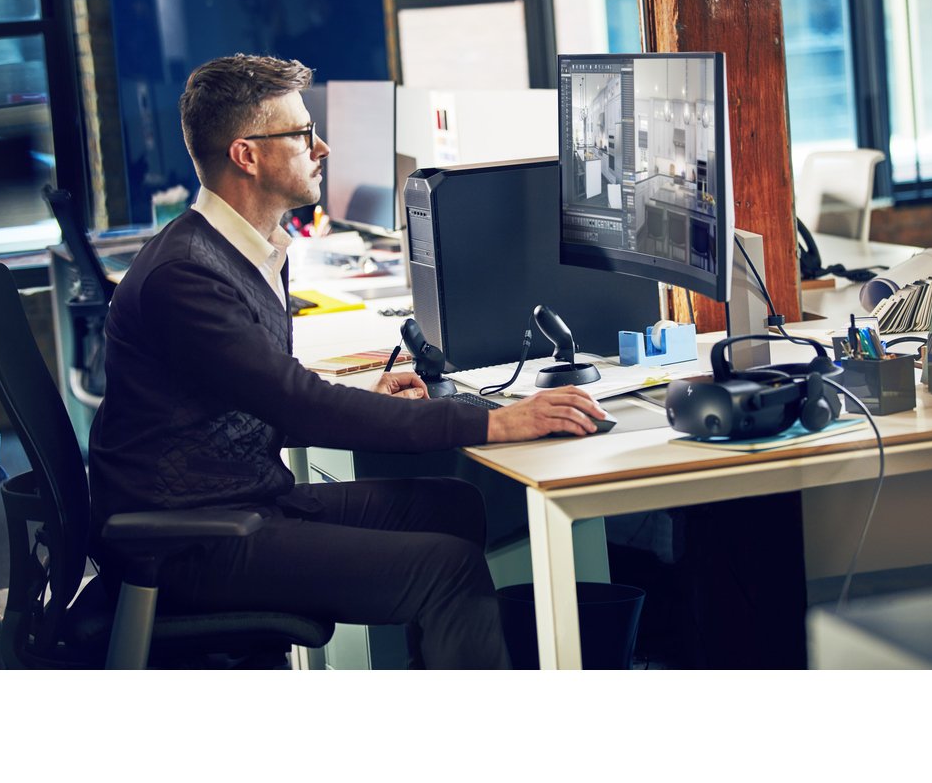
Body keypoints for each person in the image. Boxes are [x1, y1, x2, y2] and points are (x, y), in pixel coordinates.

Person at [88, 53, 608, 669]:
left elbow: (258, 394)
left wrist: (365, 401)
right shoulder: (186, 275)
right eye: (302, 134)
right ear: (246, 155)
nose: (322, 148)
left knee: (454, 506)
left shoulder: (243, 250)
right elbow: (298, 406)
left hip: (238, 500)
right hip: (189, 541)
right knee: (447, 569)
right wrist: (494, 421)